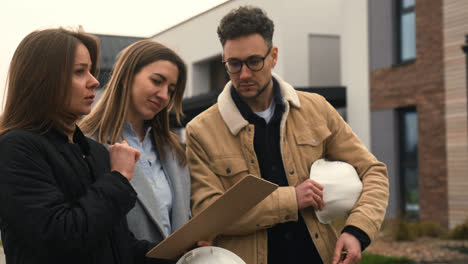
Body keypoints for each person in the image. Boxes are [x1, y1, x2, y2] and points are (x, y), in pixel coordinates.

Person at [185, 6, 389, 264]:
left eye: (254, 61)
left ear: (273, 56)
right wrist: (291, 199)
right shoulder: (200, 131)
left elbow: (373, 172)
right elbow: (209, 214)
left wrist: (356, 231)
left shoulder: (317, 109)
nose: (244, 74)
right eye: (234, 64)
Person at [0, 28, 162, 264]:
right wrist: (117, 178)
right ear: (43, 79)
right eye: (79, 72)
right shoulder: (16, 148)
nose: (94, 82)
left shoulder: (94, 151)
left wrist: (183, 253)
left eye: (91, 71)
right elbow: (61, 237)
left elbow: (120, 247)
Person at [80, 40, 191, 246]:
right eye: (157, 81)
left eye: (171, 89)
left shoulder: (174, 150)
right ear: (126, 77)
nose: (164, 95)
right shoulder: (86, 144)